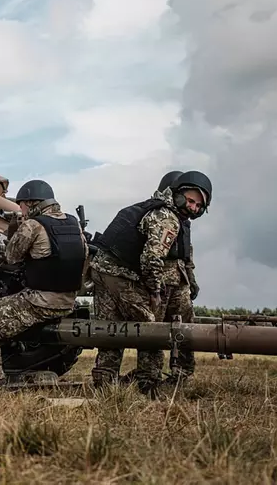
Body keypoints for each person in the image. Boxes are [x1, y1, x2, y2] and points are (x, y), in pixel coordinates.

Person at [0, 179, 89, 385]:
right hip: (68, 301)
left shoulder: (33, 225)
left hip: (40, 302)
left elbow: (11, 257)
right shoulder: (74, 224)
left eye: (21, 206)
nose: (20, 210)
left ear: (31, 203)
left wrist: (15, 227)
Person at [90, 169, 212, 396]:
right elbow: (152, 258)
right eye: (190, 201)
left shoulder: (152, 209)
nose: (193, 208)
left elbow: (180, 256)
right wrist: (154, 290)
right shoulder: (167, 218)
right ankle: (149, 382)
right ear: (177, 194)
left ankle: (105, 382)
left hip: (103, 271)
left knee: (110, 328)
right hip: (122, 276)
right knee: (150, 328)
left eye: (198, 206)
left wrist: (188, 280)